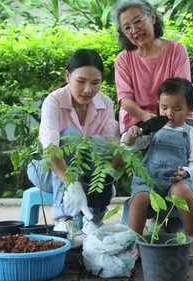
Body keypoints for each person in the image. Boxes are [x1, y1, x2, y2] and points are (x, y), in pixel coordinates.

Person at [27, 49, 120, 248]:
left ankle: (93, 219)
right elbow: (49, 151)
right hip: (47, 172)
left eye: (95, 83)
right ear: (67, 75)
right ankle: (63, 220)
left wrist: (108, 174)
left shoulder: (105, 103)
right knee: (71, 135)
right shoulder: (53, 101)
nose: (88, 89)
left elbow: (113, 147)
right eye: (81, 81)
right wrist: (71, 183)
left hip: (85, 173)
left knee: (98, 142)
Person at [121, 77, 193, 257]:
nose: (170, 113)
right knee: (138, 199)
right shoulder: (153, 127)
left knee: (182, 193)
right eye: (164, 108)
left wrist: (187, 173)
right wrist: (130, 138)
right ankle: (135, 242)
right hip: (150, 181)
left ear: (189, 109)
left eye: (177, 109)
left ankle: (190, 233)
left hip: (177, 183)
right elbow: (132, 146)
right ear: (158, 106)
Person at [110, 0, 193, 134]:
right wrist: (146, 117)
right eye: (127, 28)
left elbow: (181, 90)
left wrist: (165, 117)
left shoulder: (176, 50)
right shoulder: (123, 59)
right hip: (138, 119)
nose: (134, 30)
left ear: (152, 17)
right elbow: (125, 100)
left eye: (137, 21)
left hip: (174, 115)